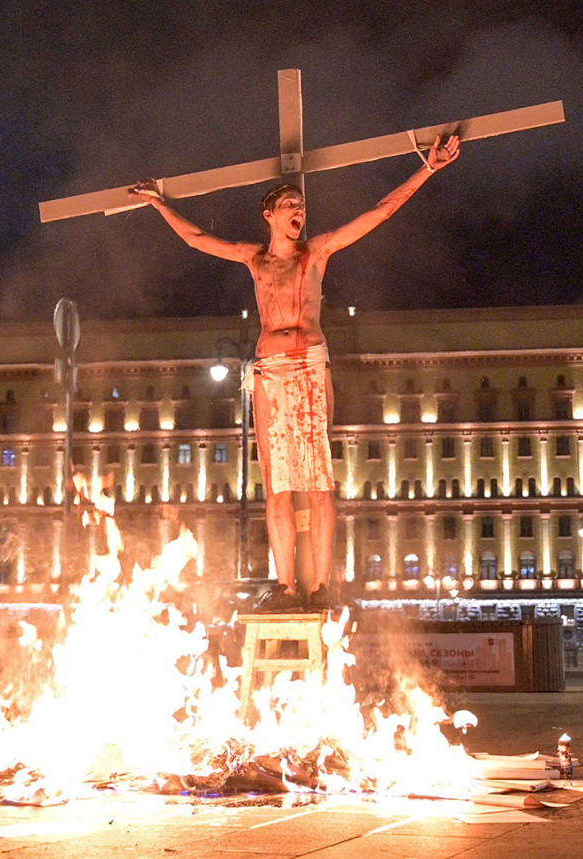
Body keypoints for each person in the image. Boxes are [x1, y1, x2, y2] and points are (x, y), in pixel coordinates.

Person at [129, 134, 461, 610]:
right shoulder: (254, 257)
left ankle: (322, 585)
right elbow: (197, 239)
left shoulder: (317, 252)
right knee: (278, 485)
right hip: (268, 372)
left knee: (318, 482)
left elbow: (378, 212)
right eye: (289, 203)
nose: (298, 208)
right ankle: (285, 587)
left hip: (308, 364)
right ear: (270, 215)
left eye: (301, 203)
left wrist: (428, 169)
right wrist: (158, 204)